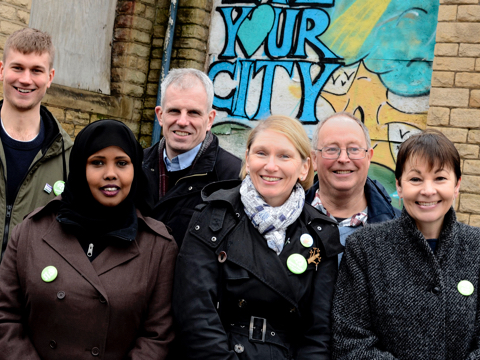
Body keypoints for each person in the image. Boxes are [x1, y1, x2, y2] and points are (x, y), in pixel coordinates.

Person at [0, 120, 178, 360]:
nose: (110, 174)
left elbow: (157, 336)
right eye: (97, 163)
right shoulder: (32, 231)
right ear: (79, 167)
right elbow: (2, 317)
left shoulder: (158, 247)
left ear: (135, 169)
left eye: (122, 163)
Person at [173, 115, 343, 359]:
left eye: (284, 156)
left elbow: (319, 333)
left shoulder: (321, 233)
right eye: (261, 153)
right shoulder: (211, 218)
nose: (271, 166)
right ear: (248, 159)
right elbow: (194, 314)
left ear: (304, 167)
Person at [332, 129, 480, 359]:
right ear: (399, 186)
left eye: (440, 178)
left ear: (457, 184)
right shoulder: (364, 248)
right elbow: (350, 341)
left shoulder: (476, 248)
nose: (428, 190)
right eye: (416, 179)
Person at [0, 28, 72, 357]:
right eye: (17, 67)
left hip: (24, 332)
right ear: (1, 69)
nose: (25, 79)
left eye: (36, 70)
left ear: (50, 77)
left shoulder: (69, 158)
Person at [142, 68, 241, 247]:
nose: (182, 121)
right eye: (174, 111)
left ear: (209, 120)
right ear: (160, 115)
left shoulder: (233, 179)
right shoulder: (135, 166)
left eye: (193, 113)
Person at [308, 112, 399, 264]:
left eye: (354, 149)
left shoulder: (401, 229)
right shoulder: (287, 221)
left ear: (368, 157)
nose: (343, 158)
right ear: (315, 159)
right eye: (331, 149)